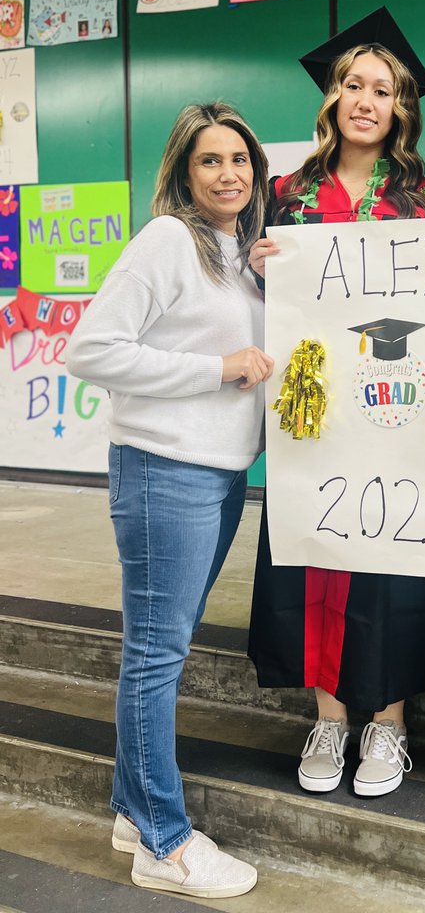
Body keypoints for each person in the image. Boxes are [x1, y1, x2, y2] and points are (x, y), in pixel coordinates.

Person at [67, 102, 273, 899]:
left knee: (166, 644)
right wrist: (215, 369)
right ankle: (163, 840)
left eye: (240, 160)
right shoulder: (167, 241)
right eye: (210, 161)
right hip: (164, 470)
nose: (229, 174)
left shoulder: (240, 254)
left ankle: (130, 808)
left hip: (220, 473)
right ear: (183, 174)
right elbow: (92, 349)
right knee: (156, 657)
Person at [247, 8, 425, 800]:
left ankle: (389, 724)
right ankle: (330, 717)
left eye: (385, 90)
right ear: (332, 99)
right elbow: (247, 294)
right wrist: (260, 263)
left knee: (392, 557)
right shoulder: (284, 195)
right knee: (315, 554)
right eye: (353, 85)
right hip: (311, 414)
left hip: (397, 406)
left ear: (402, 108)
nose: (367, 100)